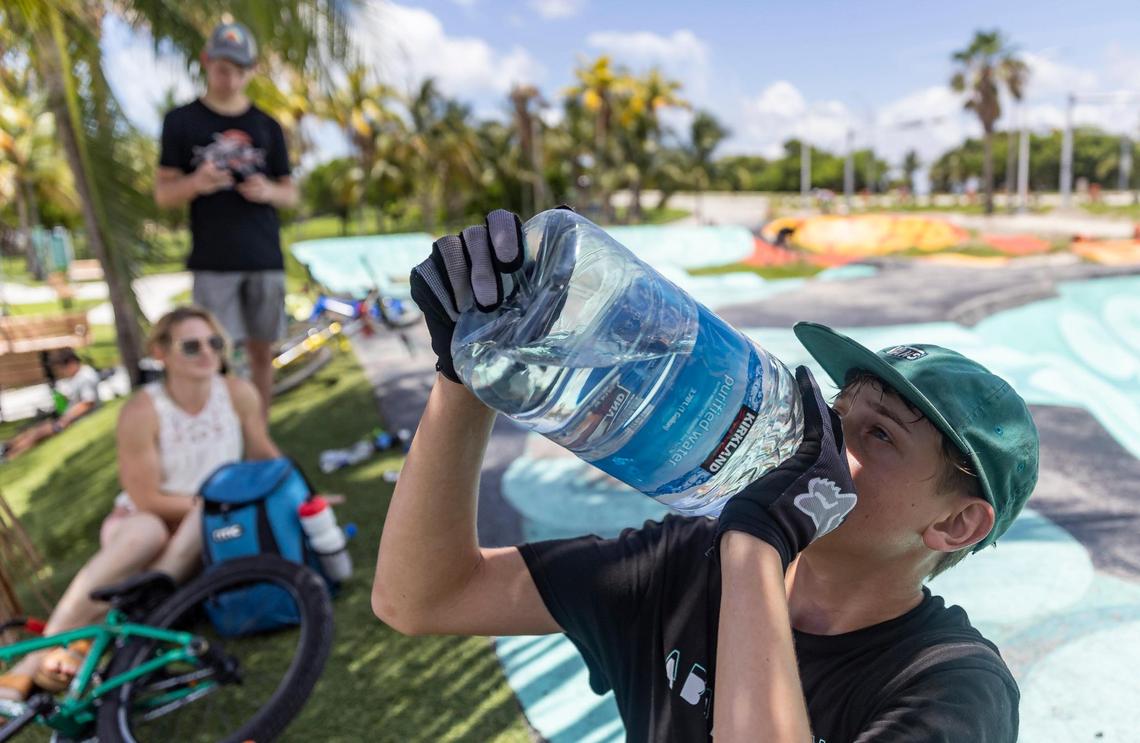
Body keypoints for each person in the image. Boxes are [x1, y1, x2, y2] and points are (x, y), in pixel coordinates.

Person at [372, 210, 1039, 741]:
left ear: (955, 523)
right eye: (838, 410)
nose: (828, 436)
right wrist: (463, 377)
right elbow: (422, 596)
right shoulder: (683, 568)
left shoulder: (953, 687)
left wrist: (755, 544)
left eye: (880, 433)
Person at [0, 306, 280, 703]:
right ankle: (36, 659)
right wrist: (212, 506)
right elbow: (146, 497)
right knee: (148, 532)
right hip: (143, 519)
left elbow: (263, 454)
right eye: (191, 345)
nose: (206, 352)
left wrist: (301, 492)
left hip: (204, 527)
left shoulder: (238, 393)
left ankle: (96, 638)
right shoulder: (142, 409)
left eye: (214, 342)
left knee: (204, 514)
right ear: (161, 353)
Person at [154, 21, 298, 417]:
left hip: (264, 257)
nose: (229, 76)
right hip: (213, 260)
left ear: (251, 69)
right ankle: (225, 424)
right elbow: (164, 193)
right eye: (221, 67)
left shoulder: (267, 126)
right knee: (215, 351)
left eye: (238, 68)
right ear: (206, 62)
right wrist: (197, 182)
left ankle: (259, 427)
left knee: (261, 350)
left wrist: (268, 191)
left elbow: (290, 191)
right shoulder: (181, 121)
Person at [0, 348, 100, 461]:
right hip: (69, 417)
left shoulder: (85, 377)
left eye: (63, 367)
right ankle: (7, 446)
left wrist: (65, 420)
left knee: (39, 433)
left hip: (77, 419)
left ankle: (9, 456)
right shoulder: (78, 376)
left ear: (71, 362)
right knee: (34, 429)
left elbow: (87, 403)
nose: (63, 371)